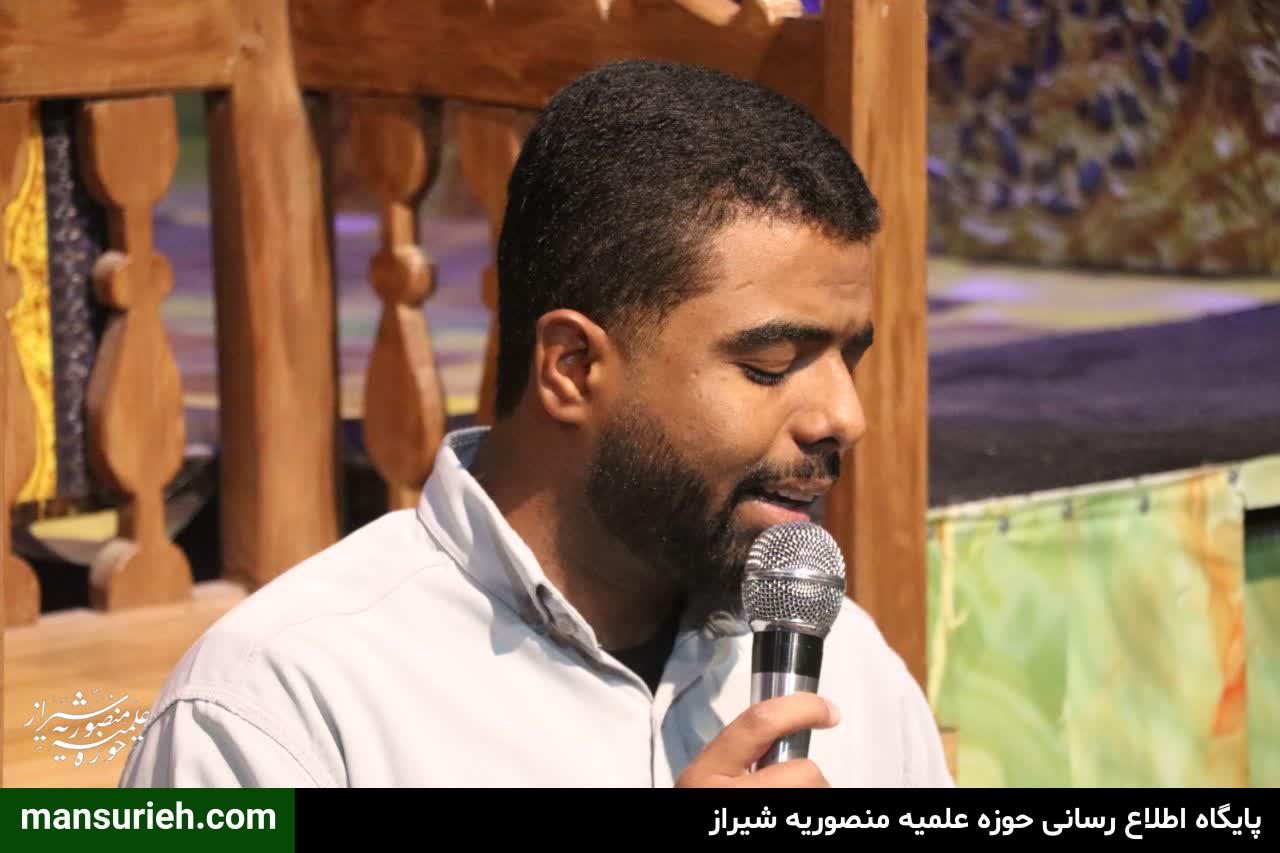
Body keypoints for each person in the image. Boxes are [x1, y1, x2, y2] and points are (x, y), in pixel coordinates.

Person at [118, 60, 953, 788]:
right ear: (572, 368)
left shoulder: (849, 665)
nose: (844, 416)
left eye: (849, 359)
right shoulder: (271, 706)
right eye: (770, 363)